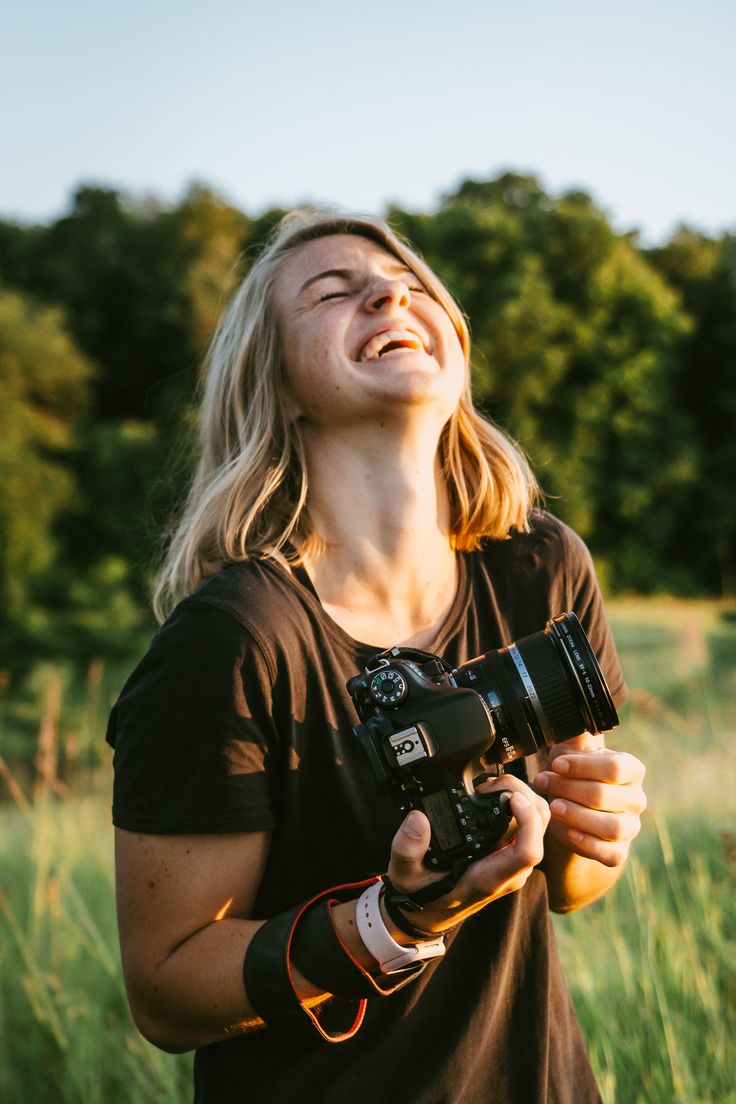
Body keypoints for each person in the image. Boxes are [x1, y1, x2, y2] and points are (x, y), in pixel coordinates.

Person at [107, 208, 647, 1104]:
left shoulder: (540, 566)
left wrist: (595, 832)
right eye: (333, 291)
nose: (390, 291)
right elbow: (165, 992)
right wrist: (392, 921)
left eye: (412, 286)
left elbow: (568, 886)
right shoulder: (233, 639)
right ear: (277, 383)